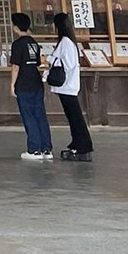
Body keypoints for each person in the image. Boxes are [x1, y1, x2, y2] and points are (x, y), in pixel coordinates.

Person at [46, 12, 94, 162]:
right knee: (74, 117)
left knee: (75, 117)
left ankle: (83, 147)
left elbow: (67, 63)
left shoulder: (65, 42)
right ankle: (78, 144)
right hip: (69, 85)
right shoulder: (70, 41)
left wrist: (50, 58)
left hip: (67, 86)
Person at [10, 12, 52, 161]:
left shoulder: (17, 44)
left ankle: (34, 149)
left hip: (24, 83)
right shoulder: (33, 43)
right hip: (36, 81)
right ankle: (46, 149)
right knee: (40, 115)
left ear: (15, 28)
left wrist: (12, 85)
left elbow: (16, 66)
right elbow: (36, 63)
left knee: (28, 115)